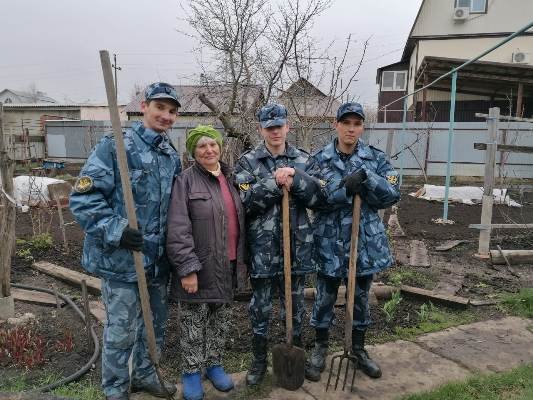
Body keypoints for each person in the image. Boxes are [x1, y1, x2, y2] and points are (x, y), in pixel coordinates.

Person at [70, 82, 182, 400]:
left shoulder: (169, 154)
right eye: (160, 108)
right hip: (122, 261)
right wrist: (117, 230)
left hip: (158, 261)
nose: (166, 116)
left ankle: (146, 374)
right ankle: (116, 388)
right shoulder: (116, 145)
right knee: (120, 331)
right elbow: (83, 200)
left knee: (154, 326)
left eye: (172, 111)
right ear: (144, 106)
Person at [304, 102, 401, 382]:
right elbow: (312, 198)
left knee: (360, 298)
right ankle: (320, 347)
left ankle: (358, 348)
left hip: (364, 243)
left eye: (357, 123)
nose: (351, 128)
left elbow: (392, 194)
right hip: (328, 242)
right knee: (324, 298)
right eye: (346, 123)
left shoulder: (376, 160)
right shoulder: (319, 160)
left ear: (362, 127)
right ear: (336, 125)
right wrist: (344, 187)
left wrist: (368, 179)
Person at [234, 103, 325, 386]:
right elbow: (247, 201)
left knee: (295, 306)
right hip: (262, 249)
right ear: (261, 129)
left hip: (297, 247)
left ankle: (295, 350)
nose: (275, 131)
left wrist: (296, 179)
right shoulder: (247, 162)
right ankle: (259, 360)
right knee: (259, 307)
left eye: (279, 126)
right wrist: (275, 182)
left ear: (288, 127)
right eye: (269, 127)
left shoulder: (305, 160)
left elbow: (319, 197)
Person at [166, 125, 247, 400]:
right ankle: (190, 373)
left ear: (220, 147)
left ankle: (214, 365)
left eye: (213, 144)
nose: (209, 150)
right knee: (193, 323)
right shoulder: (185, 181)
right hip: (200, 267)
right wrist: (187, 269)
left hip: (229, 264)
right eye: (201, 146)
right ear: (193, 151)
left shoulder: (232, 177)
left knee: (220, 320)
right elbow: (177, 228)